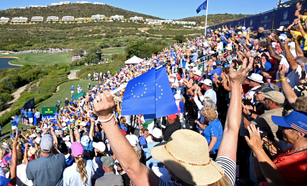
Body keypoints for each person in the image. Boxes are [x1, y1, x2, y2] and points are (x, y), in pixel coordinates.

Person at [92, 57, 253, 186]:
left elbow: (133, 168)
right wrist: (237, 85)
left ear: (178, 172)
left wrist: (106, 117)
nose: (167, 168)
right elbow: (231, 130)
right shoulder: (224, 178)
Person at [246, 110, 307, 186]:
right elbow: (280, 158)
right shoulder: (297, 149)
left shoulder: (295, 162)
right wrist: (266, 141)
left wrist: (257, 148)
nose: (280, 128)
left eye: (285, 127)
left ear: (300, 134)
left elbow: (261, 175)